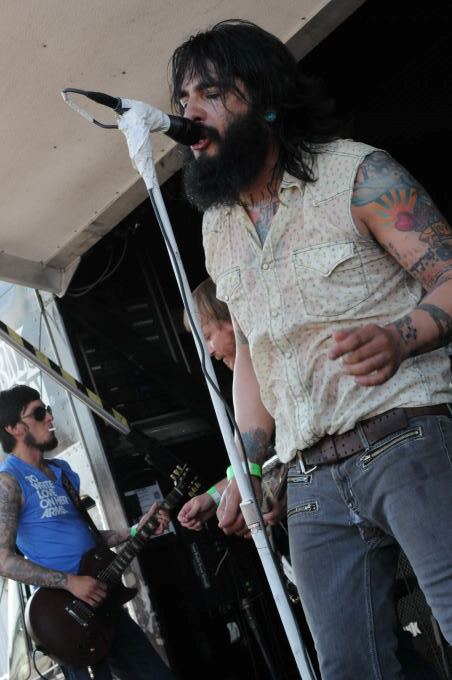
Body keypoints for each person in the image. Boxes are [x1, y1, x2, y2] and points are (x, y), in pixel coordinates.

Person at [170, 19, 452, 679]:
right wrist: (245, 469)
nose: (190, 115)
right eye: (183, 100)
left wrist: (402, 335)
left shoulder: (355, 172)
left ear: (265, 100)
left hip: (406, 438)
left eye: (211, 93)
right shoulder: (217, 229)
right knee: (349, 668)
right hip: (309, 480)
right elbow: (251, 356)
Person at [0, 384, 175, 680]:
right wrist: (70, 582)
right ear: (14, 428)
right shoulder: (9, 482)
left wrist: (135, 530)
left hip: (104, 602)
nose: (49, 417)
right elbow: (3, 560)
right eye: (39, 413)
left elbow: (88, 536)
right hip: (65, 618)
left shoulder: (62, 471)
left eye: (48, 410)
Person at [179, 276, 285, 531]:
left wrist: (292, 495)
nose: (208, 352)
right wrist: (213, 497)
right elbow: (267, 460)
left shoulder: (274, 369)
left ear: (233, 322)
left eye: (207, 336)